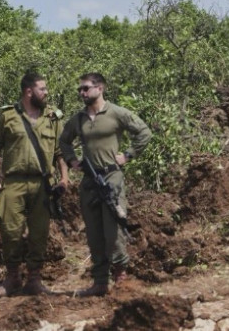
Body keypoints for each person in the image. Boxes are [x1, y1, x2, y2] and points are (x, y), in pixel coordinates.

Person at [59, 73, 152, 297]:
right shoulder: (79, 118)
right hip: (89, 181)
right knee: (94, 233)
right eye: (79, 90)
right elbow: (63, 140)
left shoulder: (116, 113)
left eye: (85, 88)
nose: (82, 93)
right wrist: (72, 160)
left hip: (111, 179)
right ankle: (100, 282)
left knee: (114, 231)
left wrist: (127, 155)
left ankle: (121, 279)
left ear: (99, 88)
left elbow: (144, 132)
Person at [0, 72, 70, 297]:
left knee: (39, 233)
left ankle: (34, 279)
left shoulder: (53, 118)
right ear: (29, 92)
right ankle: (12, 277)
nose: (46, 93)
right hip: (13, 183)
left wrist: (64, 178)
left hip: (42, 183)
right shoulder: (7, 116)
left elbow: (61, 151)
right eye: (42, 89)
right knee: (9, 230)